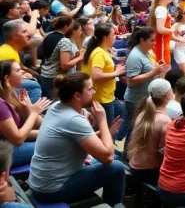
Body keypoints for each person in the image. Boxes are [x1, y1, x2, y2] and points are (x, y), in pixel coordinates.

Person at [29, 73, 125, 206]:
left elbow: (78, 140)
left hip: (41, 183)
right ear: (77, 95)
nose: (94, 92)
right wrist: (102, 120)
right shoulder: (74, 120)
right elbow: (108, 157)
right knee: (117, 168)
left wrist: (104, 131)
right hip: (51, 190)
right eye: (90, 89)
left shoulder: (56, 107)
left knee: (116, 156)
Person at [0, 61, 52, 165]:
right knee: (54, 143)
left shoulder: (12, 93)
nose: (23, 72)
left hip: (10, 142)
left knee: (54, 136)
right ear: (7, 78)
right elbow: (17, 139)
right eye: (18, 70)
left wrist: (29, 108)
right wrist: (33, 112)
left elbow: (39, 124)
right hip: (5, 151)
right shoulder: (1, 105)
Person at [123, 27, 165, 151]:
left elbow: (147, 70)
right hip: (135, 100)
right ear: (142, 40)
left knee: (137, 128)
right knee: (133, 129)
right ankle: (126, 155)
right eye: (152, 41)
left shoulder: (146, 52)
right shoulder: (135, 56)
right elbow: (131, 81)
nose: (154, 43)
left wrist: (156, 68)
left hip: (143, 98)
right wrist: (153, 72)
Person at [128, 79, 173, 186]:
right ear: (166, 95)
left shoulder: (143, 113)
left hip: (136, 165)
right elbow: (165, 152)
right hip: (149, 171)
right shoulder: (165, 121)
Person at [82, 25, 126, 128]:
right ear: (105, 38)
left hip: (108, 95)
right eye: (113, 35)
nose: (115, 37)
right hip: (102, 98)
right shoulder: (99, 53)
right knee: (107, 128)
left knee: (124, 115)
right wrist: (116, 73)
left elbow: (104, 69)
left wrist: (116, 68)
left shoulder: (103, 50)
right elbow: (96, 76)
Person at [39, 19, 84, 98]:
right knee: (55, 103)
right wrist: (80, 57)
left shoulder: (49, 35)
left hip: (46, 73)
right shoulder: (65, 41)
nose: (81, 32)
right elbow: (64, 65)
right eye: (80, 30)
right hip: (56, 77)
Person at [150, 0, 174, 76]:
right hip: (162, 44)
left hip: (163, 43)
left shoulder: (160, 8)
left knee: (163, 72)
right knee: (164, 73)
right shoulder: (161, 9)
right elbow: (160, 29)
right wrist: (174, 30)